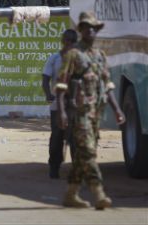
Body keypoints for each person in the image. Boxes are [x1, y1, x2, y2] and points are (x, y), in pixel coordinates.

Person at [55, 11, 125, 210]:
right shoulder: (73, 54)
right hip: (80, 113)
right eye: (87, 27)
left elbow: (108, 86)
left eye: (94, 28)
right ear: (81, 30)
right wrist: (61, 112)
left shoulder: (100, 56)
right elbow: (61, 86)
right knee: (88, 152)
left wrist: (118, 110)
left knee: (82, 157)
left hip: (96, 113)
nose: (91, 31)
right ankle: (99, 193)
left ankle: (70, 194)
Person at [41, 28, 78, 179]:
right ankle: (54, 166)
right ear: (63, 41)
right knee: (57, 136)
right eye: (66, 40)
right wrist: (48, 94)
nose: (68, 43)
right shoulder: (54, 58)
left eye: (72, 41)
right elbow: (45, 78)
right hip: (57, 104)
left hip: (75, 105)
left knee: (75, 138)